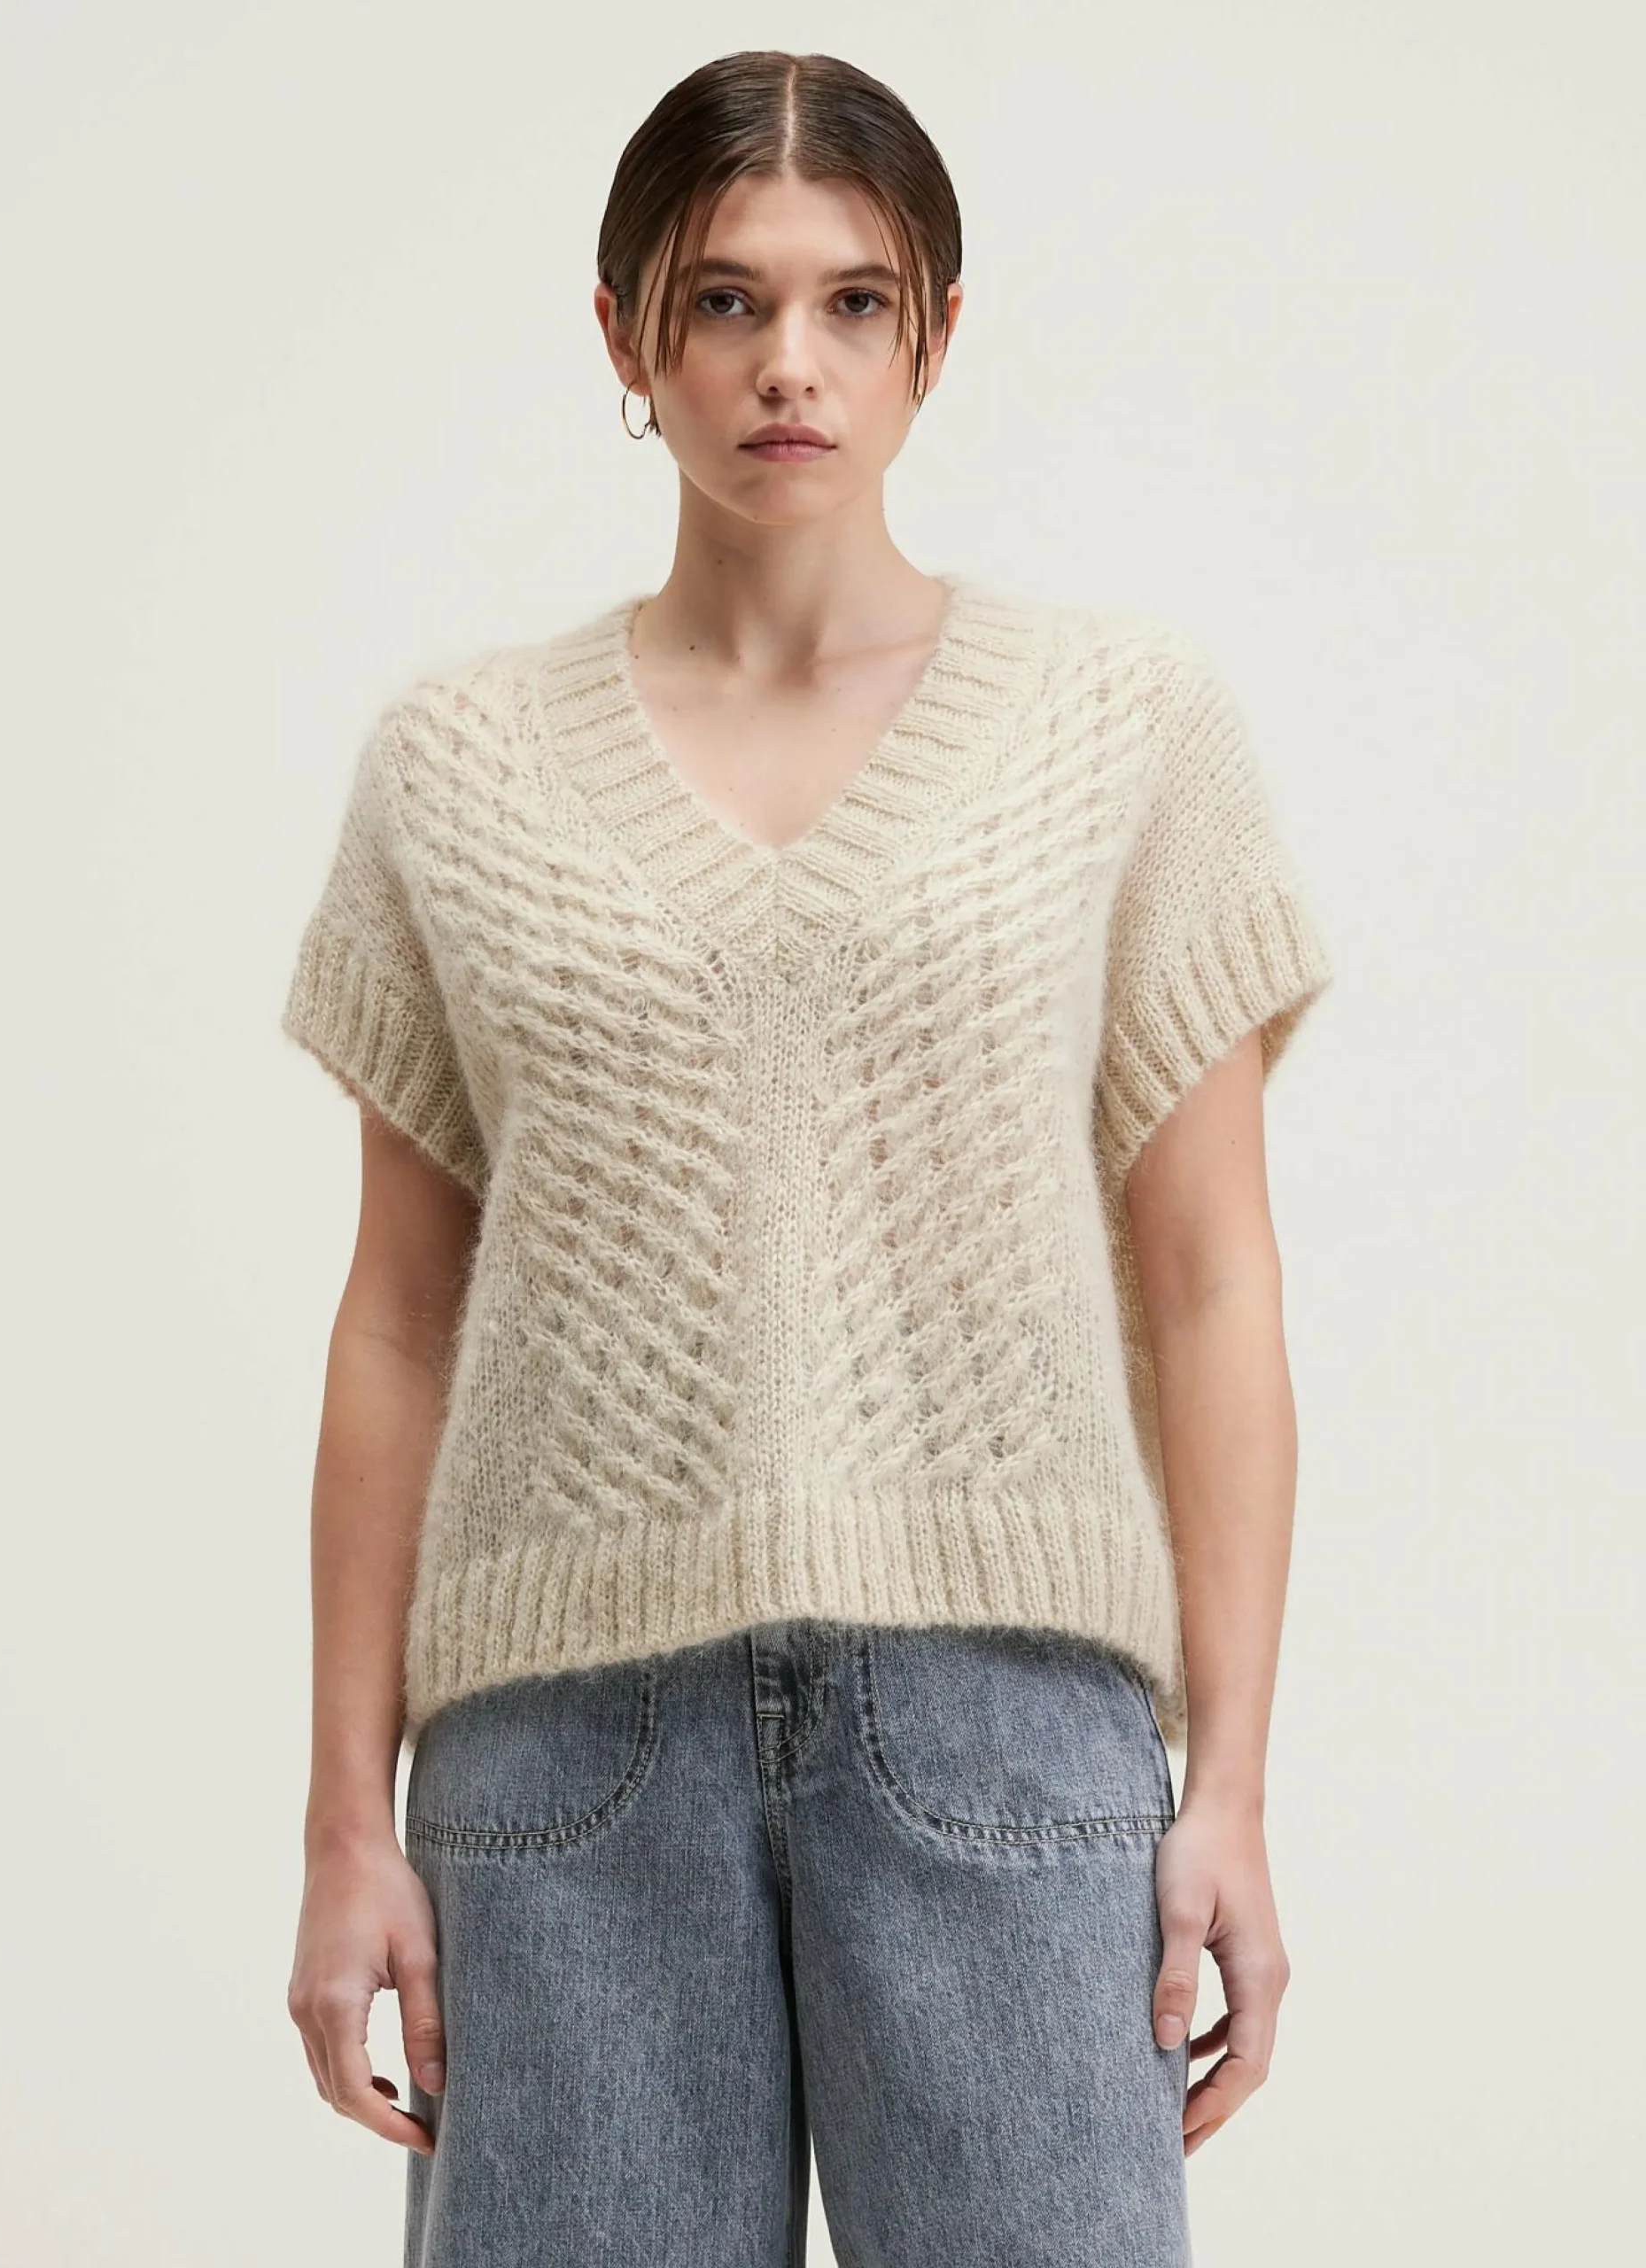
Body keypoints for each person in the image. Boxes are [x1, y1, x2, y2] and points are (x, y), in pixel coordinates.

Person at [280, 48, 1334, 2268]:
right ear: (622, 333)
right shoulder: (455, 764)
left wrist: (1231, 1776)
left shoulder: (1122, 728)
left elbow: (1215, 1276)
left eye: (856, 301)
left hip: (1005, 1719)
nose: (792, 364)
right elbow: (396, 1321)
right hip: (561, 1753)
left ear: (935, 330)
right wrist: (339, 1819)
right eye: (726, 299)